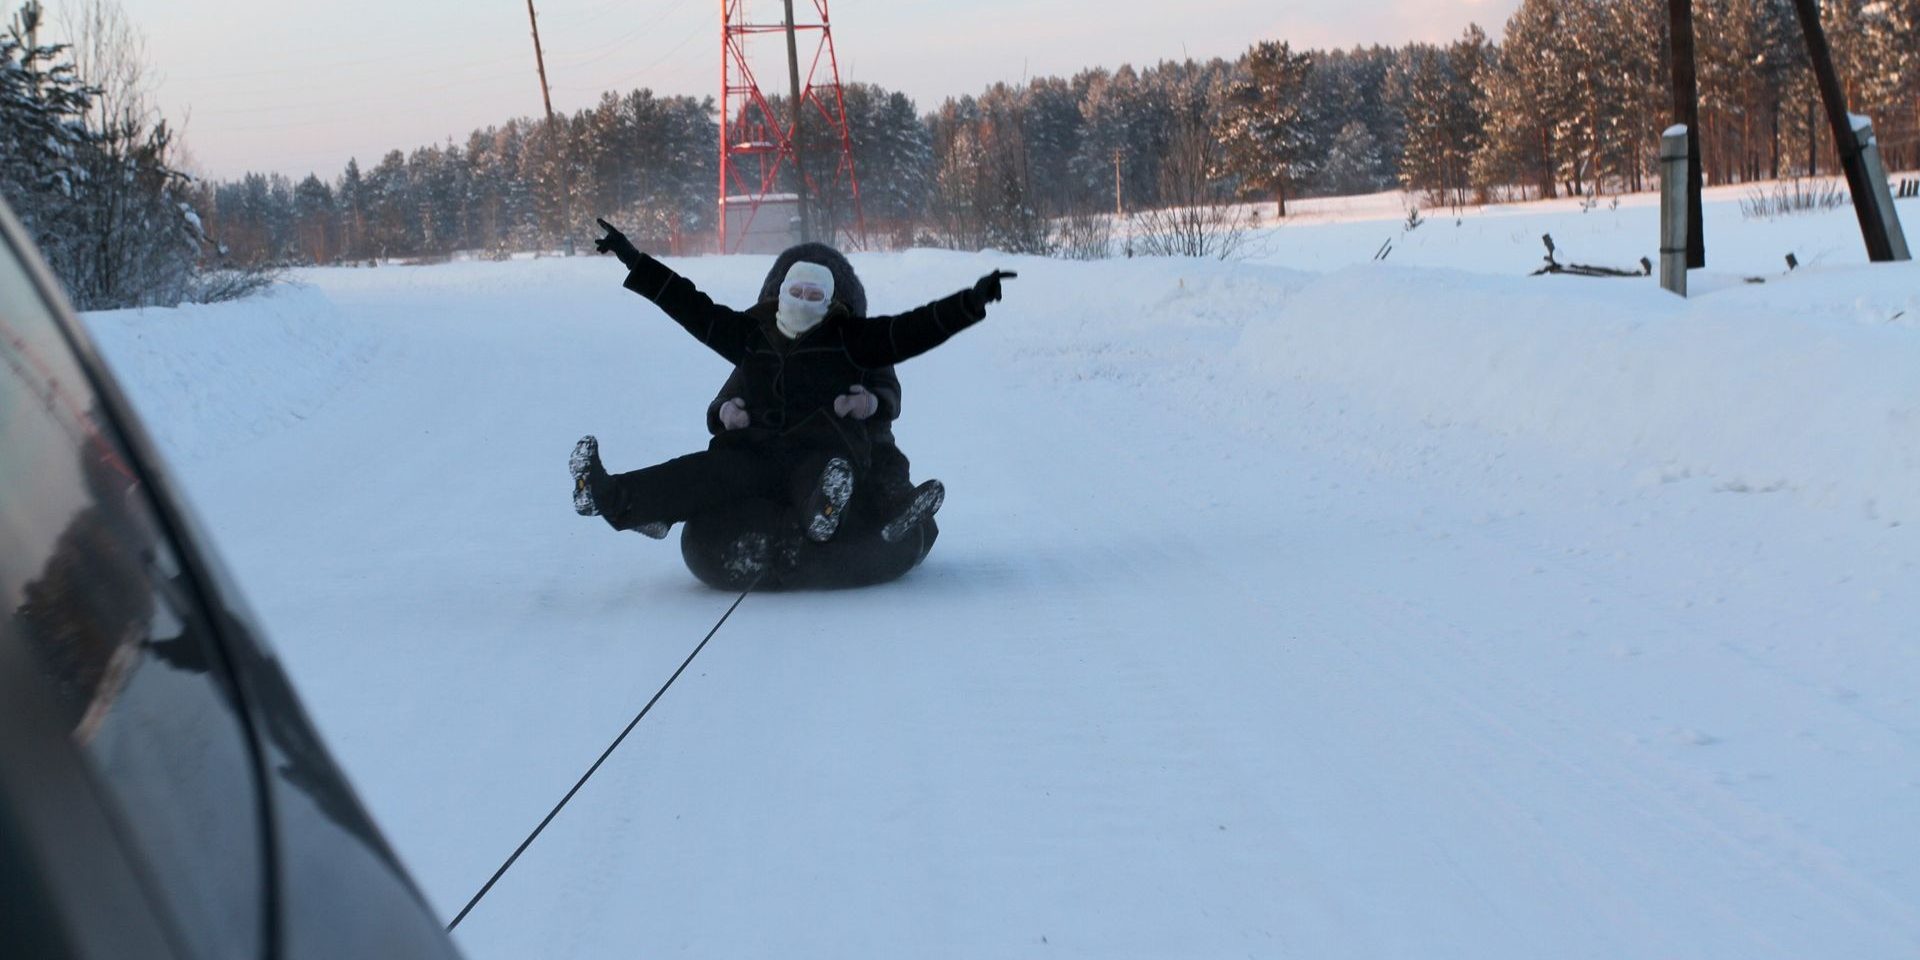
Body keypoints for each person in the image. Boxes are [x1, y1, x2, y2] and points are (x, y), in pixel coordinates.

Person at [571, 218, 1012, 567]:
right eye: (795, 291)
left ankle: (828, 515)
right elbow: (690, 305)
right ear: (780, 295)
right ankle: (606, 494)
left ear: (831, 301)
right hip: (756, 454)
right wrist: (633, 259)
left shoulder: (851, 339)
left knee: (828, 475)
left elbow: (913, 329)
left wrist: (970, 303)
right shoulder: (752, 335)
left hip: (819, 451)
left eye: (814, 294)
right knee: (700, 472)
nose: (803, 300)